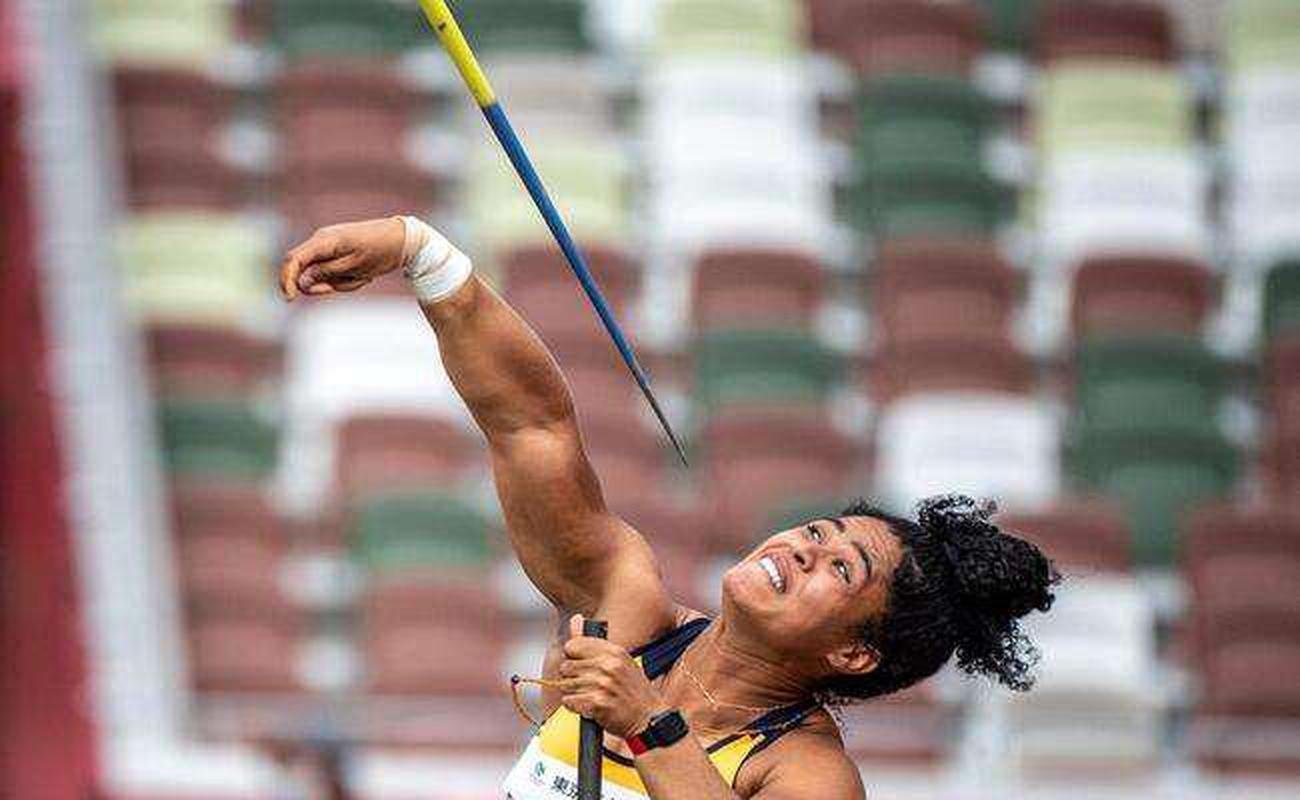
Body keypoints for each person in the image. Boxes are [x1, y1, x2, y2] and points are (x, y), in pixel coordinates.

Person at [279, 216, 1060, 799]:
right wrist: (426, 257)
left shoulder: (808, 772)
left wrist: (649, 724)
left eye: (837, 567)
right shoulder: (631, 610)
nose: (799, 548)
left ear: (853, 654)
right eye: (816, 532)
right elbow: (532, 428)